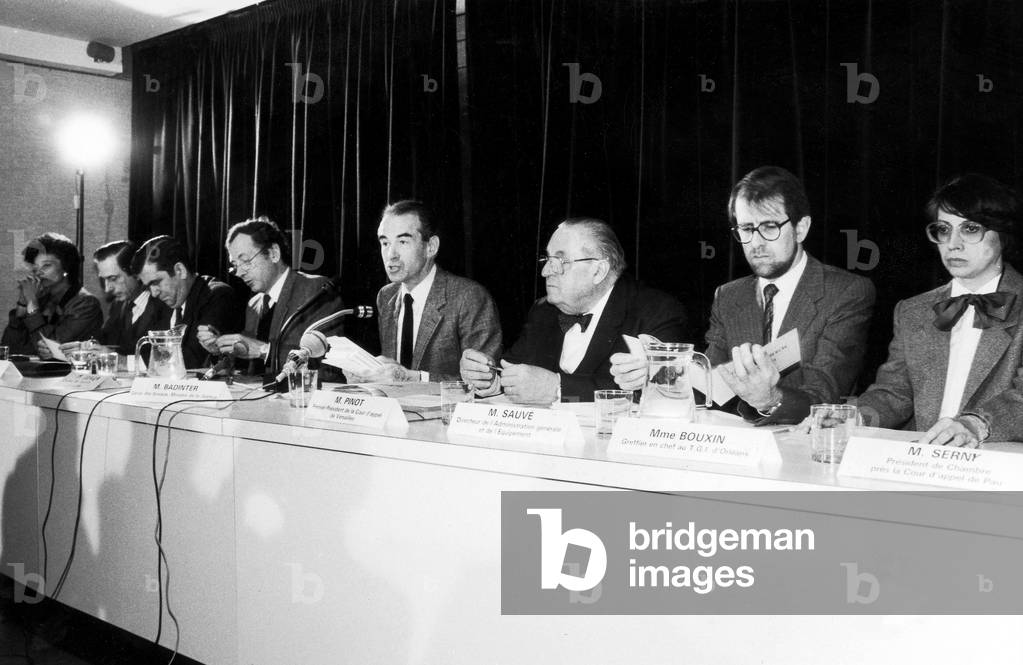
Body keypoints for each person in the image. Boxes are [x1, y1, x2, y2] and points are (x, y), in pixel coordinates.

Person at [612, 166, 875, 424]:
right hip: (741, 446)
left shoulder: (846, 292)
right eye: (747, 229)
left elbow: (824, 393)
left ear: (801, 228)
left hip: (807, 445)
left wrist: (770, 399)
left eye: (770, 227)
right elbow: (711, 386)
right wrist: (658, 374)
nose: (756, 243)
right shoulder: (729, 295)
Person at [856, 173, 1023, 445]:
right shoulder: (912, 311)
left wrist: (974, 424)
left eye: (970, 229)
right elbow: (893, 393)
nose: (953, 243)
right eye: (944, 230)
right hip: (921, 464)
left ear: (1002, 234)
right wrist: (850, 420)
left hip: (1000, 469)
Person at [461, 217, 687, 403]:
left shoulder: (656, 312)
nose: (546, 271)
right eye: (547, 259)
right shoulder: (544, 311)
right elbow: (515, 369)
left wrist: (558, 390)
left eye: (560, 261)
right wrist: (490, 380)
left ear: (598, 271)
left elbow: (668, 392)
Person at [349, 200, 501, 383]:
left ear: (431, 247)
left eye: (403, 241)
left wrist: (413, 378)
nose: (391, 255)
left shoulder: (469, 297)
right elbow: (394, 375)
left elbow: (484, 382)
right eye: (385, 243)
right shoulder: (386, 296)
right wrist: (371, 374)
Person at [197, 216, 345, 377]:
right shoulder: (254, 304)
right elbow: (248, 362)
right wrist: (220, 351)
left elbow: (328, 366)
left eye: (245, 261)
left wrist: (264, 350)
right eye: (234, 266)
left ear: (274, 253)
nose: (239, 273)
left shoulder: (315, 290)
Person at [132, 235, 242, 370]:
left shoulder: (217, 296)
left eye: (156, 282)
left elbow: (192, 360)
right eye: (148, 286)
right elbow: (144, 349)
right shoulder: (162, 302)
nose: (154, 293)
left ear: (180, 270)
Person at [63, 240, 171, 356]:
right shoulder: (118, 305)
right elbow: (105, 341)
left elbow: (161, 357)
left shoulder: (165, 304)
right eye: (103, 279)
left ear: (135, 272)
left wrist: (118, 360)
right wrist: (86, 347)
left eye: (113, 278)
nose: (107, 289)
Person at [2, 232, 102, 357]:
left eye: (46, 265)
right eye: (35, 268)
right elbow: (10, 349)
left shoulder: (85, 303)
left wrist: (32, 304)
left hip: (73, 373)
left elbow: (52, 348)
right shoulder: (43, 299)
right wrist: (22, 303)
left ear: (66, 267)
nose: (39, 273)